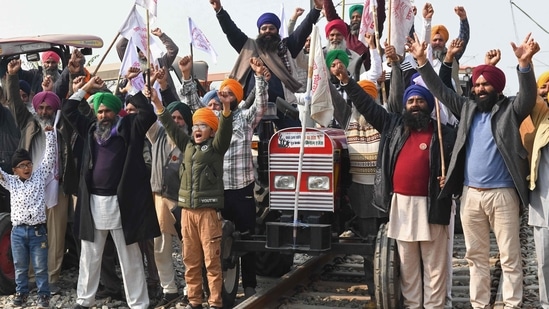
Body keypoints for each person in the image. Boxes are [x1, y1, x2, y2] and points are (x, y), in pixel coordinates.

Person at [410, 32, 540, 309]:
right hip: (471, 196)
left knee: (509, 256)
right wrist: (422, 62)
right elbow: (441, 92)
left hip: (503, 195)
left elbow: (528, 97)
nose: (480, 89)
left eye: (485, 85)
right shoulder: (467, 108)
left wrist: (525, 66)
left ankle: (513, 304)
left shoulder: (510, 109)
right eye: (477, 85)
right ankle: (479, 305)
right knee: (475, 256)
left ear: (497, 88)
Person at [331, 41, 457, 308]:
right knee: (408, 265)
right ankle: (412, 305)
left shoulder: (444, 133)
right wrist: (346, 81)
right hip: (401, 206)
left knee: (434, 266)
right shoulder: (393, 125)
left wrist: (452, 181)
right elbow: (367, 105)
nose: (415, 105)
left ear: (428, 105)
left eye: (420, 101)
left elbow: (460, 163)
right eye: (410, 101)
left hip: (432, 205)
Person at [64, 75, 160, 309]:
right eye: (100, 111)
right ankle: (84, 300)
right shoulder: (90, 129)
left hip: (121, 202)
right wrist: (86, 88)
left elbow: (147, 114)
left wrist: (132, 89)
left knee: (129, 256)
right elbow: (68, 109)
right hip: (93, 201)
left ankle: (138, 303)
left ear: (116, 112)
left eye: (107, 111)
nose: (103, 115)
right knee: (90, 254)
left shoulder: (128, 126)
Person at [179, 55, 270, 299]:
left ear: (237, 97)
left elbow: (261, 105)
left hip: (241, 191)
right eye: (222, 92)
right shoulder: (212, 122)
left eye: (230, 92)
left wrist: (259, 77)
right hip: (215, 193)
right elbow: (192, 104)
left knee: (246, 238)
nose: (224, 95)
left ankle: (249, 285)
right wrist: (187, 76)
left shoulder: (244, 118)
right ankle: (218, 292)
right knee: (216, 244)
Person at [149, 70, 234, 309]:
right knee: (191, 261)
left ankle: (215, 303)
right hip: (187, 213)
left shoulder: (216, 148)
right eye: (195, 125)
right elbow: (168, 123)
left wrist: (226, 111)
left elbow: (225, 132)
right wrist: (157, 102)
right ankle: (195, 302)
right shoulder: (186, 145)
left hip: (208, 214)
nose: (197, 129)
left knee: (211, 262)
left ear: (211, 131)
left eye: (203, 125)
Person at [6, 58, 83, 295]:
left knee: (56, 237)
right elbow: (16, 104)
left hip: (57, 188)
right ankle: (30, 278)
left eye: (48, 108)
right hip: (31, 188)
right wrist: (11, 77)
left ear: (55, 109)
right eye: (41, 107)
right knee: (32, 236)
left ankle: (51, 278)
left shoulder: (63, 125)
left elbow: (69, 101)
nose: (44, 111)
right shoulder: (29, 123)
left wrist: (71, 76)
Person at [209, 0, 322, 129]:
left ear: (277, 30)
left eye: (271, 28)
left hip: (284, 106)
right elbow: (231, 30)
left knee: (293, 137)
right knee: (259, 145)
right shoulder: (249, 46)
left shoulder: (287, 47)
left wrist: (316, 10)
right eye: (264, 28)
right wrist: (219, 10)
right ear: (259, 31)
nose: (267, 31)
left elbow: (304, 28)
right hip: (255, 107)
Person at [0, 127, 56, 308]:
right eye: (22, 166)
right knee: (20, 266)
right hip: (17, 232)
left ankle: (43, 296)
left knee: (40, 267)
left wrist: (49, 135)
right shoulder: (10, 182)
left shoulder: (39, 176)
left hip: (37, 231)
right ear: (15, 170)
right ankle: (21, 294)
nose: (26, 168)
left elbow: (49, 159)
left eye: (28, 164)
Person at [116, 27, 180, 100]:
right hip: (145, 105)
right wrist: (133, 31)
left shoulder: (161, 62)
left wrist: (161, 36)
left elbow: (173, 50)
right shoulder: (133, 66)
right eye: (141, 51)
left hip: (167, 102)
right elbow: (120, 46)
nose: (143, 53)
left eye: (146, 50)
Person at [323, 0, 386, 72]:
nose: (355, 19)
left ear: (363, 19)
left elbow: (379, 16)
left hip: (367, 77)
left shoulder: (370, 34)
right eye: (352, 17)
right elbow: (332, 16)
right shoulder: (346, 33)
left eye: (358, 17)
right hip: (348, 76)